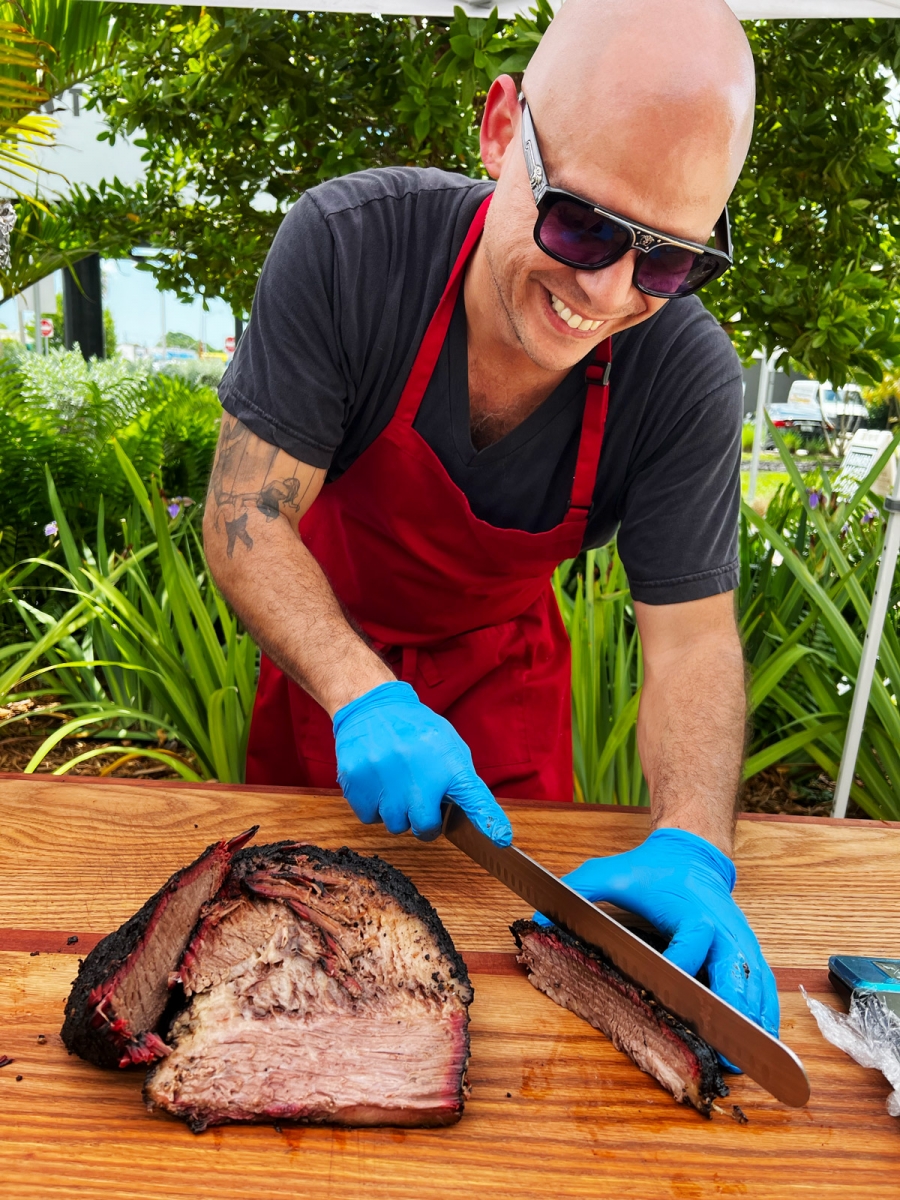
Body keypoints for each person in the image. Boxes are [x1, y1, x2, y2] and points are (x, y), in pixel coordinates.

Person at [204, 0, 779, 1038]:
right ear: (502, 126)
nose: (603, 291)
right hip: (328, 692)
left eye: (666, 261)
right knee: (291, 980)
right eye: (583, 223)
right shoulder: (348, 250)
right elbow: (247, 515)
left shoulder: (685, 375)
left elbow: (692, 642)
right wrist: (361, 695)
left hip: (506, 703)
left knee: (508, 1013)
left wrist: (695, 846)